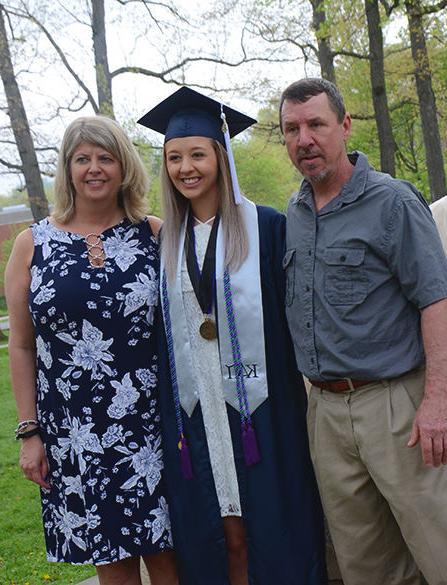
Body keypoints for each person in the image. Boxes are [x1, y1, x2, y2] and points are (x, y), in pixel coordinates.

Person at [280, 77, 447, 585]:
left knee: (442, 555)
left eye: (316, 124)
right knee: (364, 565)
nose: (304, 139)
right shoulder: (295, 212)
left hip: (396, 407)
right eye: (291, 129)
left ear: (345, 126)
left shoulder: (392, 202)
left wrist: (438, 401)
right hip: (326, 414)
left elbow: (437, 302)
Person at [137, 87, 326, 585]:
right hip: (197, 413)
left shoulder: (266, 227)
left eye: (197, 154)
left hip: (261, 407)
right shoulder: (163, 242)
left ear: (220, 157)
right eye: (174, 158)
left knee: (271, 527)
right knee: (222, 533)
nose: (186, 168)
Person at [5, 116, 177, 584]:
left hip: (151, 427)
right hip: (76, 434)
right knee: (113, 565)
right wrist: (30, 433)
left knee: (171, 559)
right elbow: (20, 346)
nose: (94, 168)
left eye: (106, 158)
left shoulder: (156, 235)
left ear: (124, 168)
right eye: (83, 159)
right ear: (68, 169)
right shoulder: (32, 245)